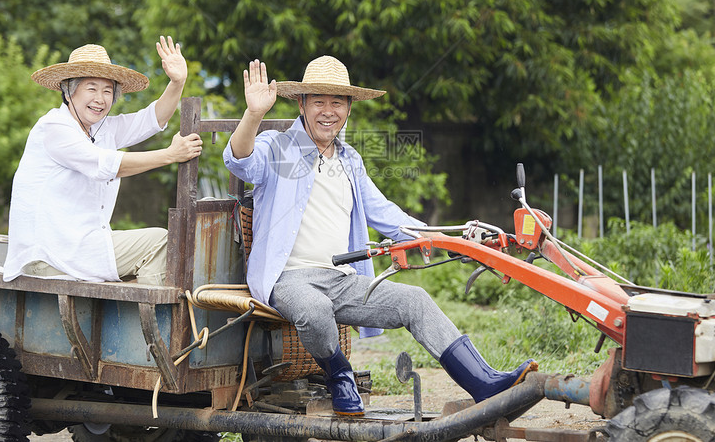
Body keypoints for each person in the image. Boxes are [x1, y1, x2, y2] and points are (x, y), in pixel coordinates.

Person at [223, 56, 536, 416]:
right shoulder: (277, 148)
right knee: (315, 309)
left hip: (341, 280)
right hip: (290, 281)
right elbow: (239, 162)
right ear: (302, 104)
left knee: (415, 300)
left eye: (337, 102)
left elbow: (387, 215)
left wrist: (455, 235)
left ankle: (484, 382)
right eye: (319, 101)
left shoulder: (351, 159)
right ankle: (340, 375)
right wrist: (253, 114)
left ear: (349, 108)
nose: (328, 111)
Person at [2, 36, 204, 286]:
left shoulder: (101, 128)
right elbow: (104, 165)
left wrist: (177, 81)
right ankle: (153, 322)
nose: (100, 98)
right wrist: (170, 155)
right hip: (51, 254)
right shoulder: (54, 127)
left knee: (157, 248)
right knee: (162, 241)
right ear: (68, 91)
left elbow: (152, 119)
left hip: (78, 248)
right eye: (91, 88)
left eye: (108, 90)